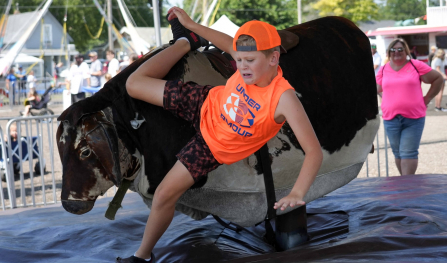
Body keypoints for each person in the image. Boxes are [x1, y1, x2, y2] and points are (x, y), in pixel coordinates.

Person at [116, 7, 323, 262]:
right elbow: (224, 41)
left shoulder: (284, 98)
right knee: (133, 84)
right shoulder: (244, 58)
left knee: (163, 194)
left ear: (273, 59)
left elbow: (313, 151)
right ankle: (184, 44)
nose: (243, 67)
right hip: (205, 102)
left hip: (211, 146)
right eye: (239, 61)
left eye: (250, 61)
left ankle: (142, 256)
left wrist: (297, 193)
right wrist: (191, 25)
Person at [376, 38, 443, 176]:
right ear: (388, 53)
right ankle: (406, 184)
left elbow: (438, 79)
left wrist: (427, 98)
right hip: (391, 119)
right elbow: (376, 89)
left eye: (400, 49)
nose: (396, 52)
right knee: (398, 153)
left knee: (408, 153)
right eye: (393, 50)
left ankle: (408, 188)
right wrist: (386, 99)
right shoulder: (383, 69)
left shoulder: (415, 65)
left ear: (406, 51)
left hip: (414, 118)